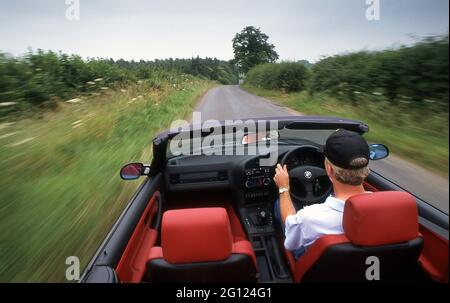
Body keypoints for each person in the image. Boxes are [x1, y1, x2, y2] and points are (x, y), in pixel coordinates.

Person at [273, 129, 371, 259]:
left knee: (279, 204)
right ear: (365, 169)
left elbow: (291, 237)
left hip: (316, 268)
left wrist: (284, 188)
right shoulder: (387, 208)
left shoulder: (310, 218)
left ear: (329, 169)